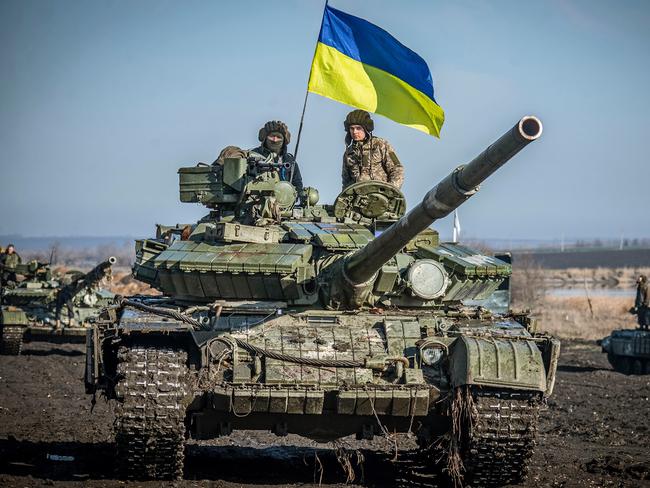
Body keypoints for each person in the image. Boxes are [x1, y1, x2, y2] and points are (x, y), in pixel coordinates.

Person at [341, 109, 404, 190]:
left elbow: (397, 169)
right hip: (358, 199)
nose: (355, 132)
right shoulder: (349, 154)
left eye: (358, 128)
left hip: (380, 196)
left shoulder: (381, 145)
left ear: (366, 128)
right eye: (352, 128)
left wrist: (390, 191)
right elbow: (346, 182)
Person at [248, 120, 303, 194]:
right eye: (272, 136)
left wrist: (295, 195)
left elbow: (297, 184)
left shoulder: (289, 161)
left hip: (282, 201)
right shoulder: (253, 155)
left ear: (283, 141)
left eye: (278, 137)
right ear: (265, 138)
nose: (275, 140)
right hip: (255, 200)